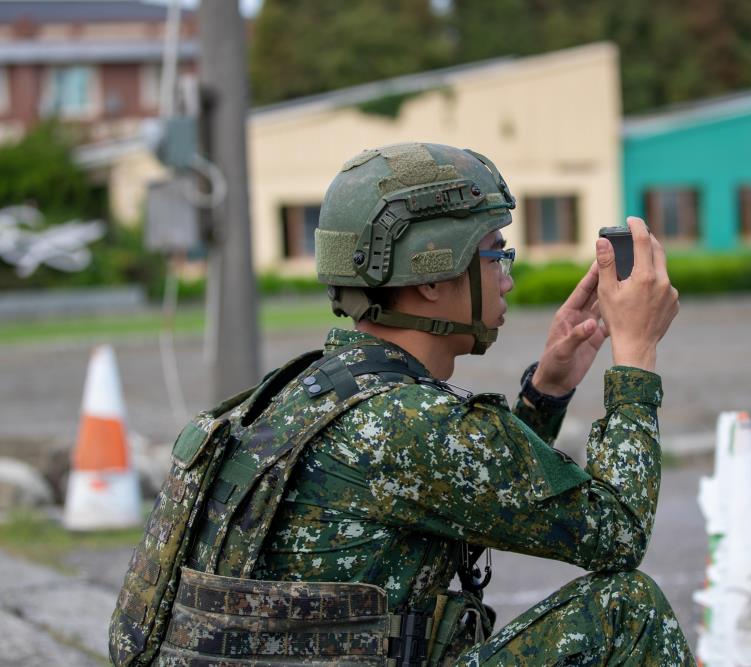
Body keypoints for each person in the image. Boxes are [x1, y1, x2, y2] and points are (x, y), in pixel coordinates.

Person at [155, 142, 691, 666]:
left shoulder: (311, 388)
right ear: (433, 276)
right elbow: (618, 534)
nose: (506, 276)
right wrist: (636, 356)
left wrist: (546, 392)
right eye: (494, 254)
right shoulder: (409, 422)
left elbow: (473, 487)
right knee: (625, 609)